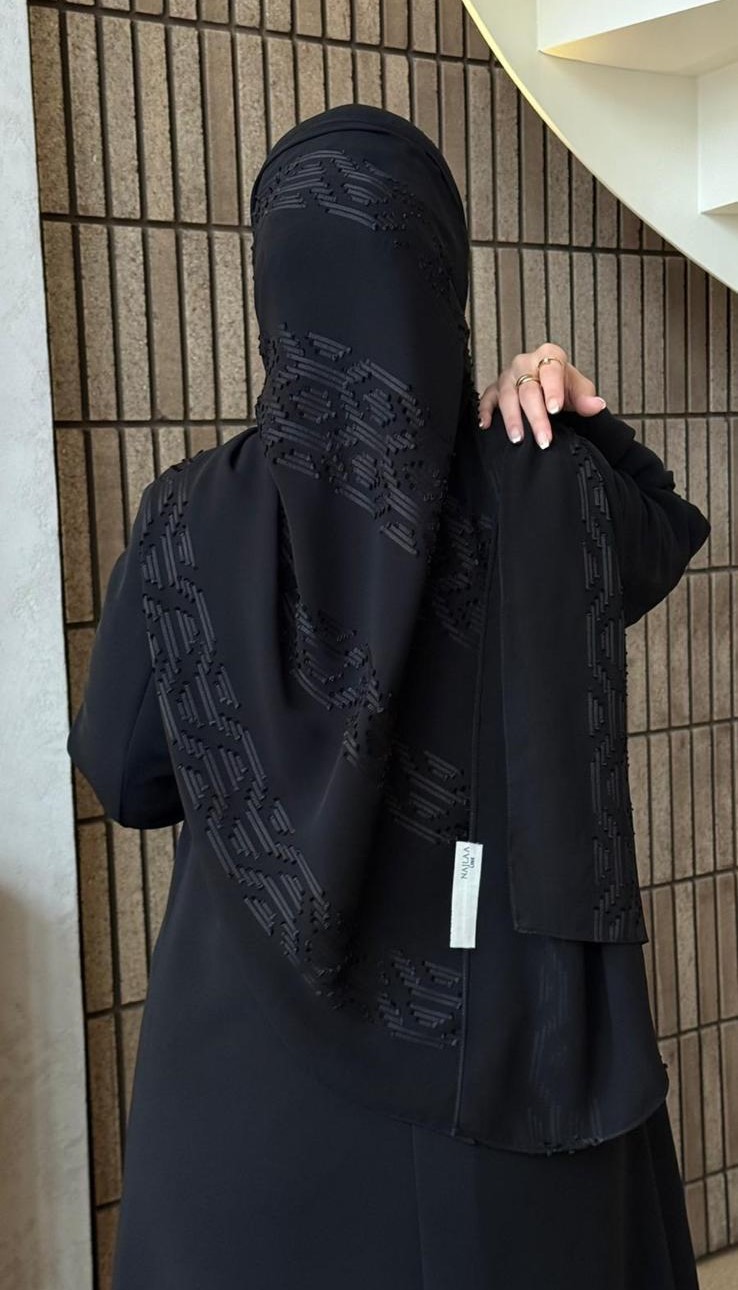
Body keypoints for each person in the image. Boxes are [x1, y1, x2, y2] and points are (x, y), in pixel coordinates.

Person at [67, 104, 710, 1289]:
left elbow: (130, 775)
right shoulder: (544, 488)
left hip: (243, 1122)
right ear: (443, 283)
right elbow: (666, 528)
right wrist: (566, 404)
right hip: (513, 1087)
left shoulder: (187, 519)